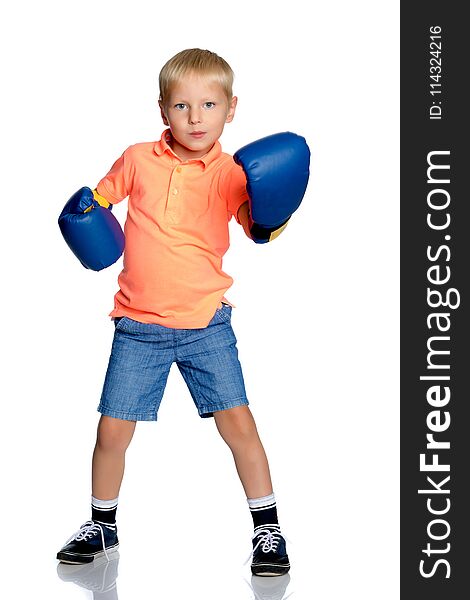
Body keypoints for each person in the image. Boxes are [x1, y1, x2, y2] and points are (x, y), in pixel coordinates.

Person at [57, 48, 309, 577]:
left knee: (239, 424)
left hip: (205, 324)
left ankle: (269, 530)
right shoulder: (137, 158)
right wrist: (86, 214)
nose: (196, 118)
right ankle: (101, 526)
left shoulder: (234, 174)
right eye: (182, 106)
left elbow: (256, 228)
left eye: (210, 105)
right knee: (111, 432)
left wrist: (275, 216)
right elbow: (99, 200)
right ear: (162, 109)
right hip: (138, 326)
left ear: (231, 108)